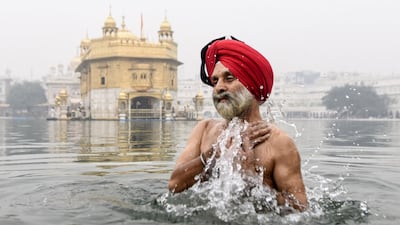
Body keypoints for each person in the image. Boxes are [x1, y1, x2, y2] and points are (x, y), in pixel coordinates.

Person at [168, 36, 308, 211]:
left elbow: (299, 210)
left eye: (229, 78)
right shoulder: (204, 129)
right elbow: (174, 185)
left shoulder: (278, 142)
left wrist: (251, 178)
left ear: (251, 85)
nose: (218, 87)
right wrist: (212, 156)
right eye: (215, 81)